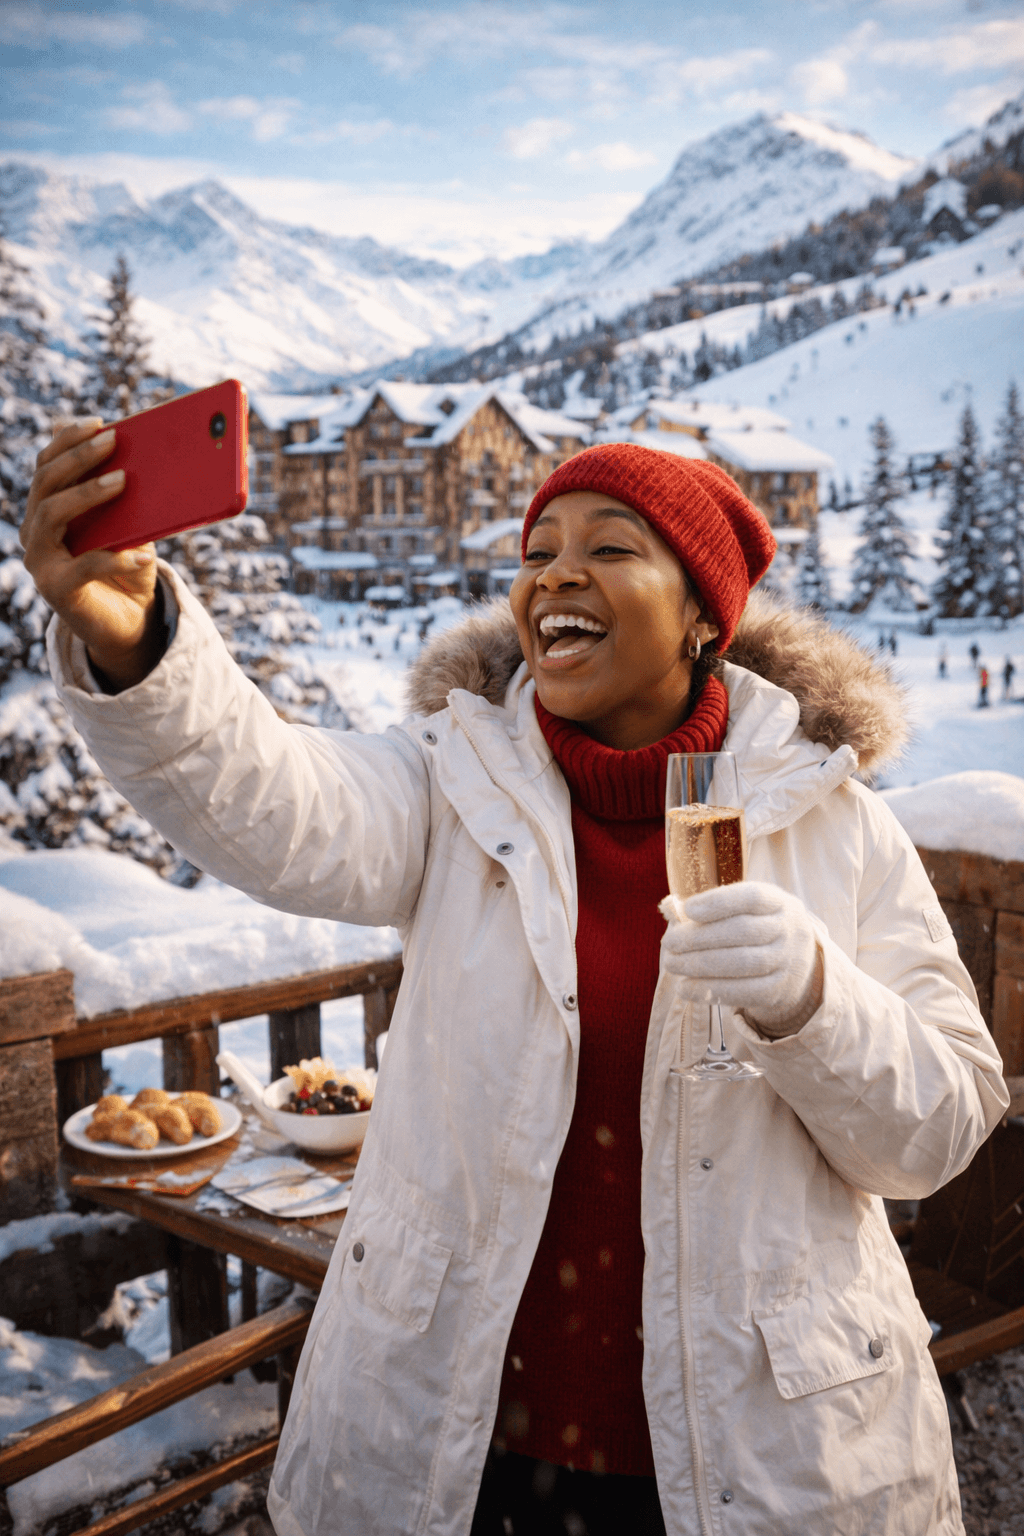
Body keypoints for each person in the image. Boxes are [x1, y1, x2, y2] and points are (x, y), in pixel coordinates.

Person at [23, 429, 1007, 1536]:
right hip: (463, 1442)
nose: (554, 573)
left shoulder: (837, 822)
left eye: (610, 546)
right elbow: (270, 797)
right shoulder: (451, 779)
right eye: (536, 550)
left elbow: (937, 1127)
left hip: (763, 1454)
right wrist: (138, 640)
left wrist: (814, 1001)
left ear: (701, 616)